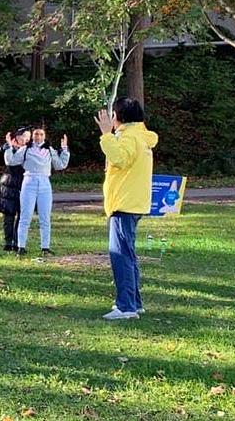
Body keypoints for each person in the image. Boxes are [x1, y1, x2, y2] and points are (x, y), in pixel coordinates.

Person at [96, 98, 158, 321]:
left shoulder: (129, 137)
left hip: (124, 203)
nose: (111, 119)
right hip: (132, 203)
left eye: (113, 115)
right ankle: (134, 302)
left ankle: (126, 307)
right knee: (128, 255)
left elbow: (120, 158)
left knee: (120, 255)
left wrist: (105, 135)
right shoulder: (140, 136)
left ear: (119, 116)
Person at [4, 126, 69, 257]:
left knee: (45, 217)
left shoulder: (49, 150)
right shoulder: (26, 149)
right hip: (29, 181)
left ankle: (45, 247)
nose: (38, 137)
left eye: (41, 134)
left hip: (44, 182)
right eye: (36, 134)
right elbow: (11, 161)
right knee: (25, 216)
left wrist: (65, 150)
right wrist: (9, 147)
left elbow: (60, 164)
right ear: (32, 136)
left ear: (44, 136)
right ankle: (21, 246)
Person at [0, 127, 31, 252]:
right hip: (9, 184)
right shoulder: (9, 147)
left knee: (22, 215)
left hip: (25, 183)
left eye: (29, 137)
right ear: (17, 137)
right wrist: (5, 147)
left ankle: (17, 242)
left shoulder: (30, 150)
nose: (27, 139)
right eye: (25, 136)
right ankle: (8, 242)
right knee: (8, 215)